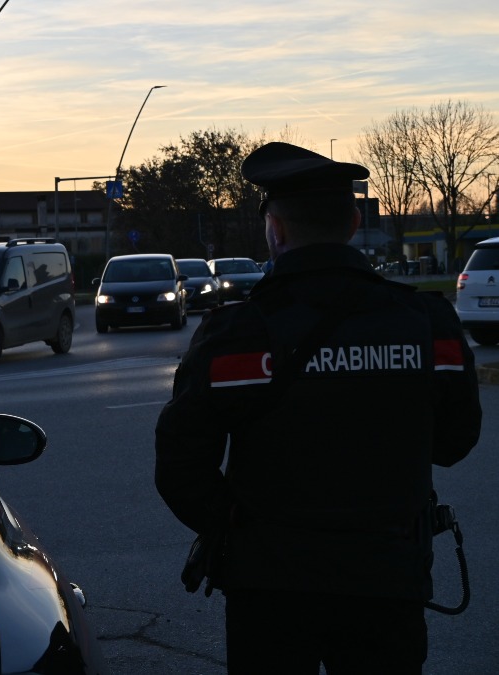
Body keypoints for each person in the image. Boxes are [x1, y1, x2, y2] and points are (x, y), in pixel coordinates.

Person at [154, 142, 482, 674]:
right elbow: (454, 443)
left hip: (270, 585)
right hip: (388, 577)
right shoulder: (427, 323)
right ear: (353, 223)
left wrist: (242, 527)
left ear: (276, 230)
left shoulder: (236, 333)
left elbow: (179, 465)